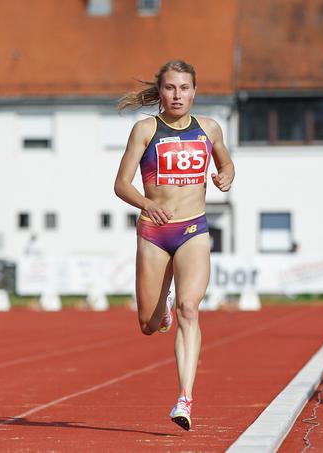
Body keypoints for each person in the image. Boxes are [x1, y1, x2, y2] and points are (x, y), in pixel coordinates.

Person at [114, 60, 234, 431]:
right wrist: (147, 203)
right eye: (170, 88)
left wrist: (225, 176)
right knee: (148, 324)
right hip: (153, 232)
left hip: (193, 230)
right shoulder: (145, 130)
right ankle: (159, 311)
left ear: (195, 91)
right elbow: (121, 184)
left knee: (190, 309)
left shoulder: (209, 129)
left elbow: (226, 163)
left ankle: (185, 398)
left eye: (184, 88)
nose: (177, 95)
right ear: (161, 92)